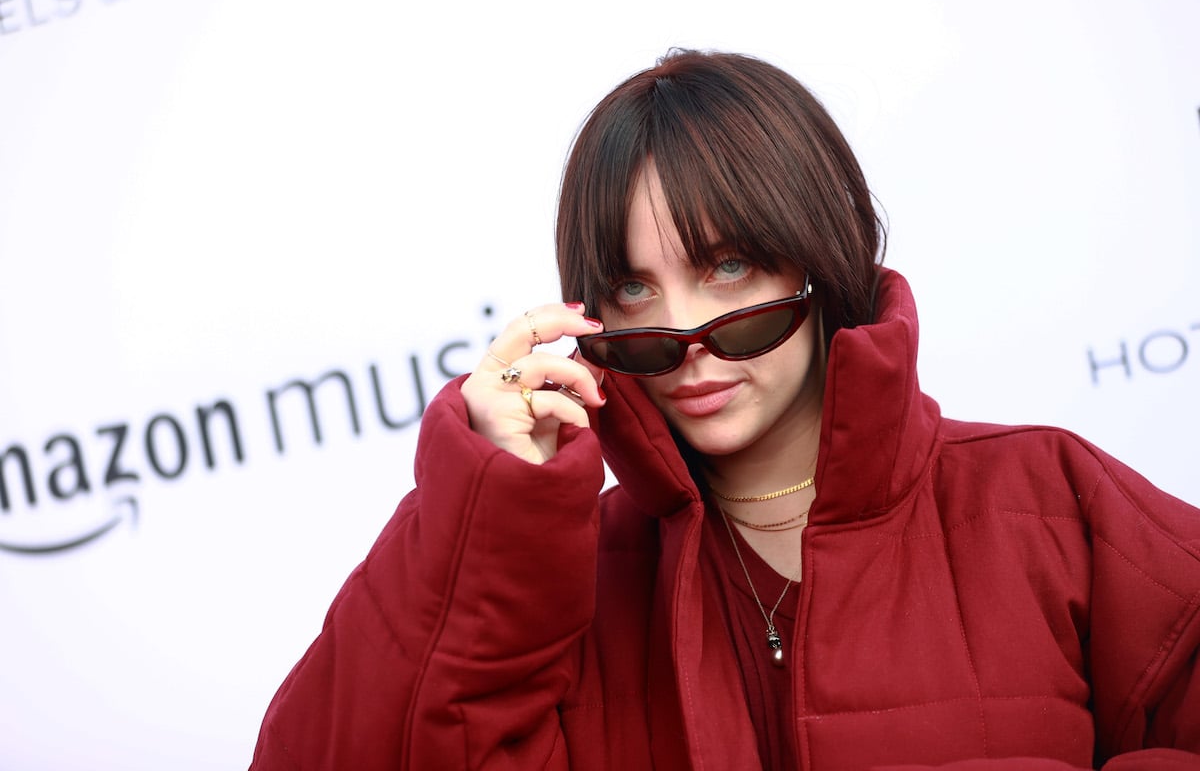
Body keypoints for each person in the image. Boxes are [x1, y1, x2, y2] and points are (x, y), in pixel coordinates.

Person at [249, 50, 1200, 770]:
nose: (687, 330)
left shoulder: (1047, 500)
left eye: (728, 267)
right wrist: (488, 506)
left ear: (817, 255)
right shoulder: (564, 582)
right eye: (632, 289)